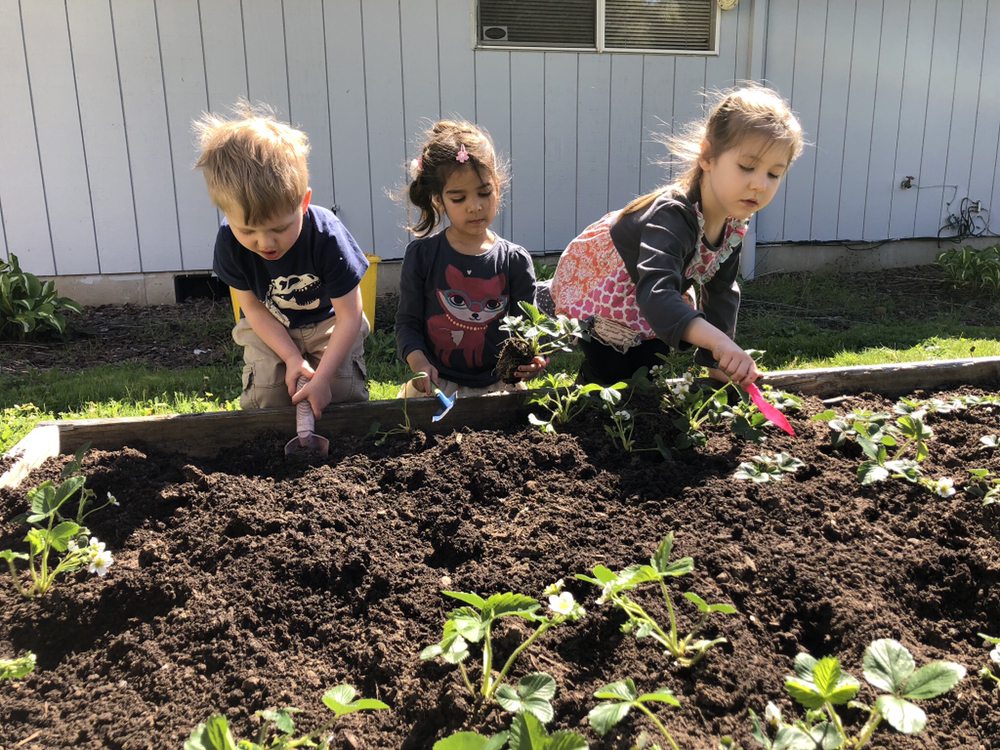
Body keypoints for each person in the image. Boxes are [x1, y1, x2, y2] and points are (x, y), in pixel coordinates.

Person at [551, 84, 804, 388]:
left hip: (654, 294)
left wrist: (719, 364)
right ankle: (586, 407)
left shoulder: (733, 224)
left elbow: (721, 291)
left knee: (650, 364)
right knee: (612, 372)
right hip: (610, 291)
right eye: (747, 167)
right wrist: (719, 344)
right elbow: (657, 292)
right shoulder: (672, 214)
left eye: (774, 173)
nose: (760, 184)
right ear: (708, 156)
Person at [195, 102, 370, 416]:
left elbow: (350, 317)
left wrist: (323, 377)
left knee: (341, 392)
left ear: (304, 202)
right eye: (248, 230)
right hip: (270, 323)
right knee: (268, 395)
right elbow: (251, 308)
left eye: (279, 228)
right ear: (226, 213)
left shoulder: (328, 236)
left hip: (329, 322)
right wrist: (291, 357)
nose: (265, 242)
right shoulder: (229, 242)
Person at [395, 120, 545, 398]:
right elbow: (408, 323)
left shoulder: (514, 261)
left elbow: (528, 328)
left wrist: (532, 358)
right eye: (459, 198)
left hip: (500, 387)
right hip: (437, 386)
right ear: (439, 201)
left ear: (497, 188)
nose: (475, 206)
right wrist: (419, 364)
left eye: (484, 193)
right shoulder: (423, 256)